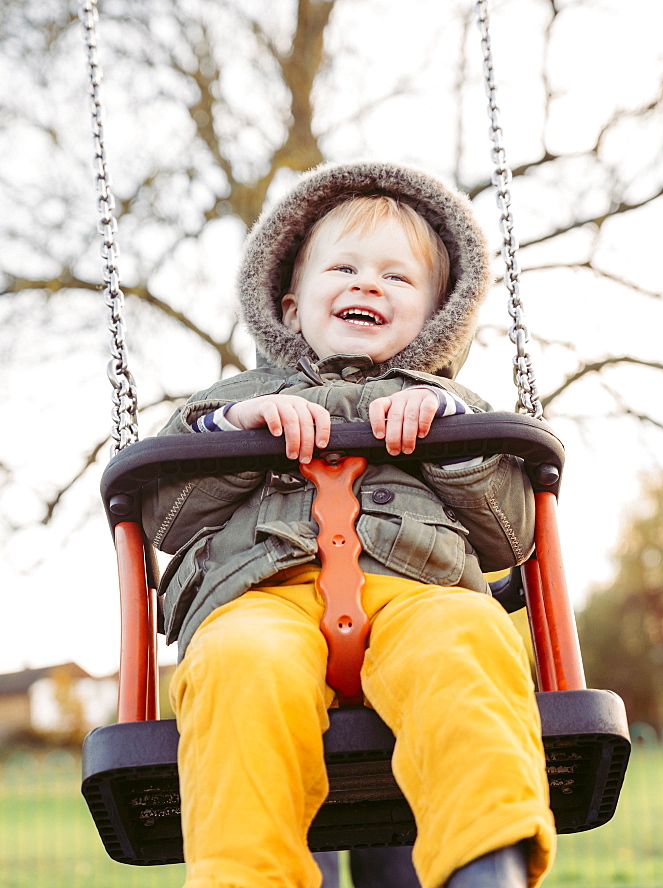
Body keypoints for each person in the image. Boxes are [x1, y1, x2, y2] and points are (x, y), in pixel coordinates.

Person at [143, 162, 557, 888]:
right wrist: (235, 430)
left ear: (434, 318)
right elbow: (165, 516)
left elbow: (512, 536)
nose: (368, 284)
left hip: (418, 591)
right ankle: (247, 877)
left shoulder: (456, 407)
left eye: (398, 279)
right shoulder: (232, 401)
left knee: (469, 640)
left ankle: (483, 863)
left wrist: (455, 438)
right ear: (290, 303)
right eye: (345, 267)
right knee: (235, 665)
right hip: (262, 595)